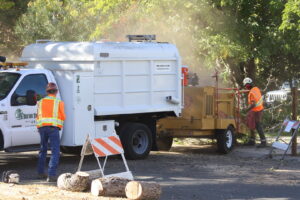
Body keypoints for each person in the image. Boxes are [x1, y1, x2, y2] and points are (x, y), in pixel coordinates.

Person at [36, 82, 66, 182]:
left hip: (42, 128)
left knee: (43, 150)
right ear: (56, 92)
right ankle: (51, 175)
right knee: (55, 151)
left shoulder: (40, 101)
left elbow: (38, 116)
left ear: (47, 92)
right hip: (53, 129)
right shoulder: (59, 102)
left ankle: (40, 173)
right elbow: (63, 117)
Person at [243, 77, 266, 147]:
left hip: (256, 110)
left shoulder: (251, 92)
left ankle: (263, 142)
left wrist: (245, 110)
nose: (246, 87)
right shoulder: (256, 89)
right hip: (258, 109)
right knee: (251, 125)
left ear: (248, 85)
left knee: (258, 125)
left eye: (246, 86)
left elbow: (253, 104)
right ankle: (252, 141)